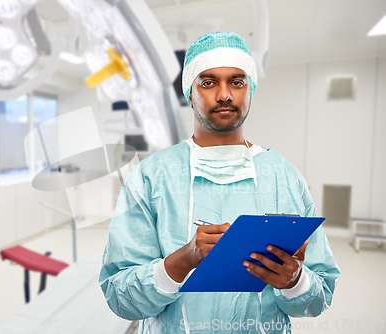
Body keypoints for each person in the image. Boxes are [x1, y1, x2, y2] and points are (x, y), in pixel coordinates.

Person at [99, 32, 340, 334]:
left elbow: (319, 294)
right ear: (189, 94)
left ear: (250, 90)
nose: (224, 94)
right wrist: (185, 259)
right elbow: (120, 295)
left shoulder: (284, 177)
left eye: (237, 82)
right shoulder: (151, 177)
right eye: (208, 82)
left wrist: (295, 281)